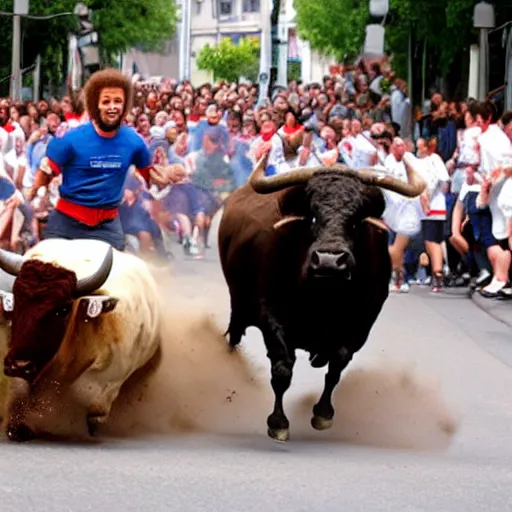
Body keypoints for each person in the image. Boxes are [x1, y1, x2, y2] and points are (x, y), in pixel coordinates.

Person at [28, 68, 172, 251]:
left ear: (125, 105)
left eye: (118, 101)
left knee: (117, 274)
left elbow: (151, 176)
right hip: (66, 224)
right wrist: (33, 194)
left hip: (107, 226)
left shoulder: (135, 141)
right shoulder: (70, 139)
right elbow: (46, 171)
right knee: (45, 271)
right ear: (95, 105)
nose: (112, 107)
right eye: (106, 101)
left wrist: (166, 176)